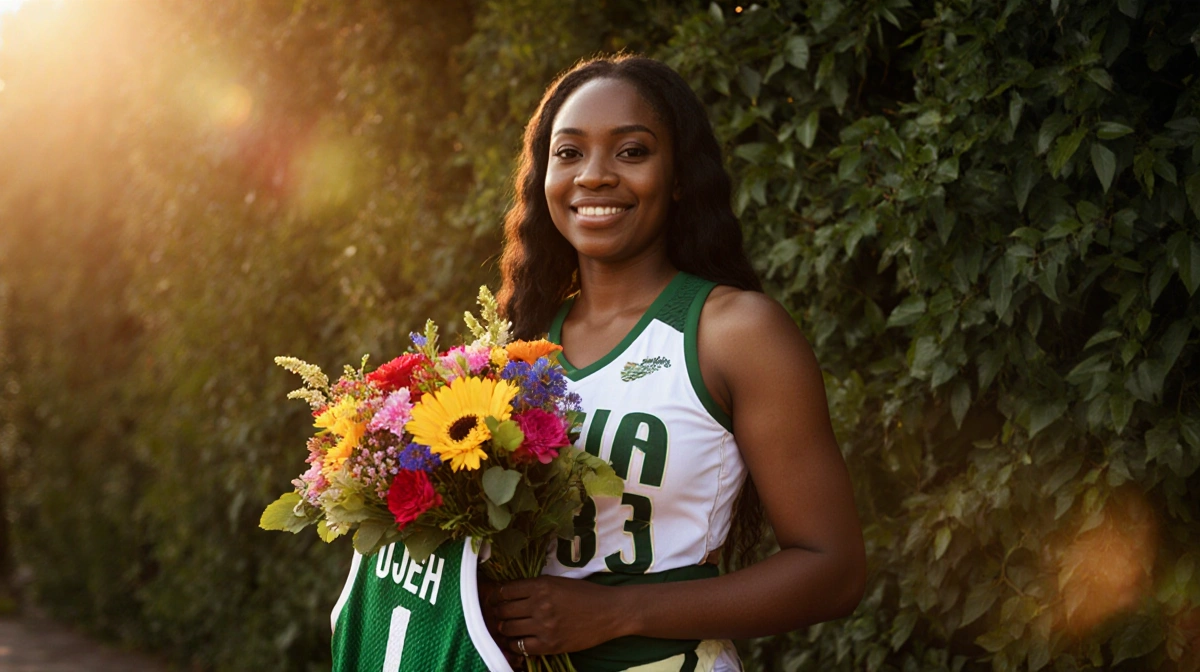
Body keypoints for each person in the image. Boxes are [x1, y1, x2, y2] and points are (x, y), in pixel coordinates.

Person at [485, 55, 866, 672]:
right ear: (543, 177)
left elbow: (834, 569)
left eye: (631, 151)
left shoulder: (736, 332)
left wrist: (618, 613)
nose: (595, 176)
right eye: (569, 152)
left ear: (680, 175)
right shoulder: (516, 352)